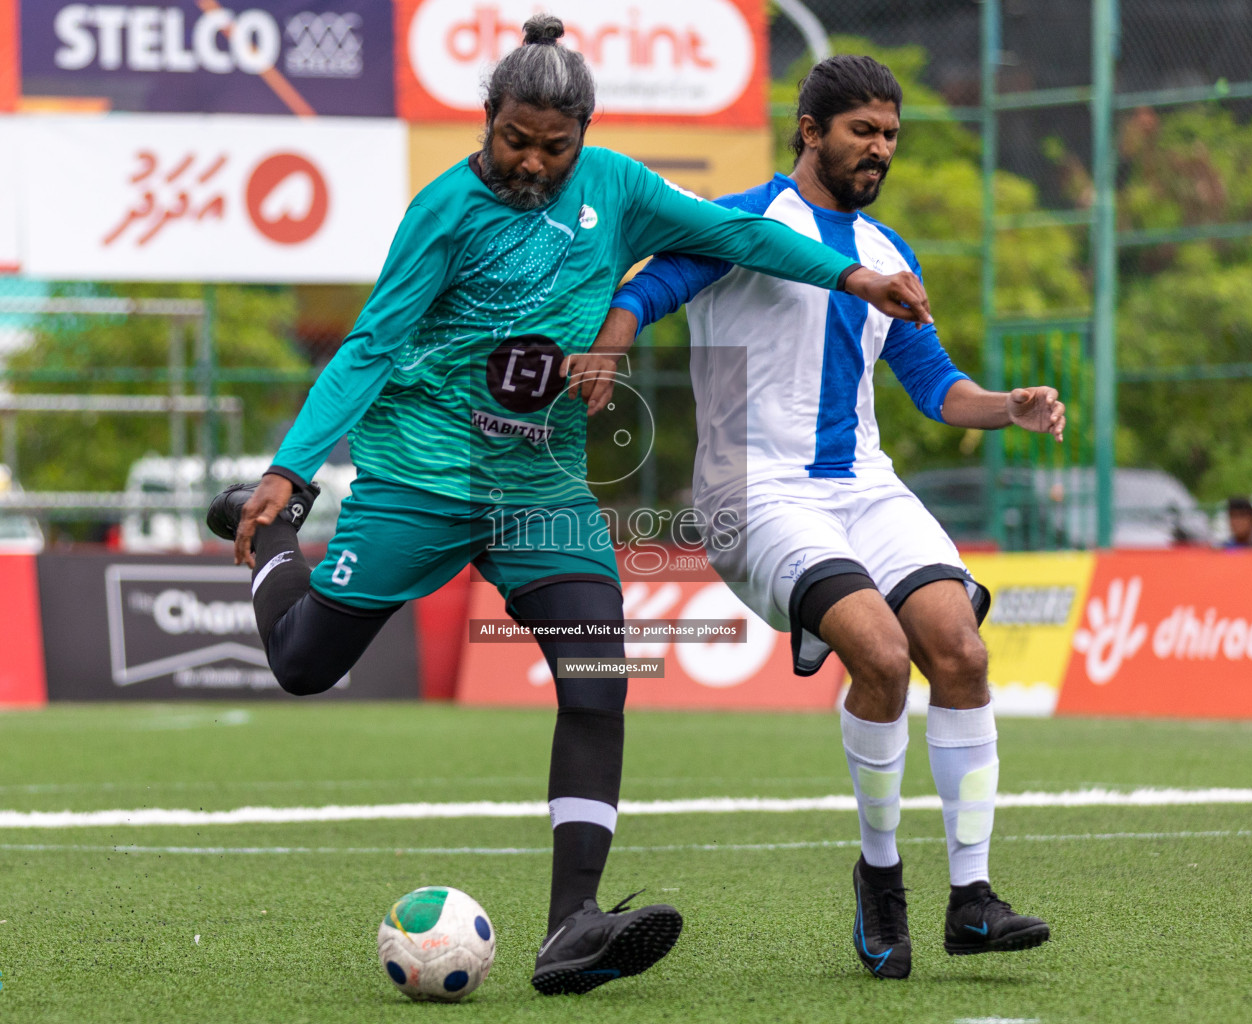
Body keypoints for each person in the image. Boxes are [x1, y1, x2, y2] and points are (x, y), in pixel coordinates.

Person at [204, 17, 933, 996]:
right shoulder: (444, 212)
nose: (535, 163)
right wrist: (290, 473)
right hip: (422, 476)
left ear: (584, 132)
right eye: (516, 141)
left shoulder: (619, 190)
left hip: (541, 487)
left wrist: (849, 273)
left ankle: (571, 927)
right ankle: (272, 549)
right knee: (301, 664)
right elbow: (370, 347)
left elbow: (738, 233)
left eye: (556, 146)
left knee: (598, 671)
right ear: (487, 121)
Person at [574, 54, 1062, 980]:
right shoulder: (742, 224)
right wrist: (610, 340)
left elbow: (938, 388)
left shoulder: (891, 254)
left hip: (864, 486)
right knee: (879, 653)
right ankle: (881, 884)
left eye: (889, 135)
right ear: (810, 130)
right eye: (861, 132)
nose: (878, 150)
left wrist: (1010, 405)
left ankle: (973, 900)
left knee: (958, 648)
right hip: (750, 491)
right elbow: (644, 289)